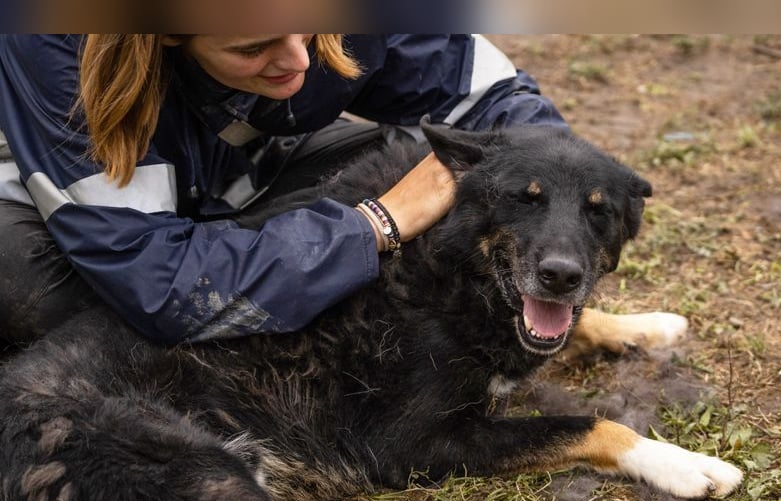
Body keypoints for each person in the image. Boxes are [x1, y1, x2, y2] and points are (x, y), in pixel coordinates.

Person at [0, 34, 571, 346]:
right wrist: (376, 223)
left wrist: (553, 214)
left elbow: (492, 99)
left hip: (233, 180)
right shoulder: (58, 43)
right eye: (254, 46)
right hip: (57, 207)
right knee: (28, 293)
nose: (300, 58)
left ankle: (271, 283)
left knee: (443, 164)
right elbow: (158, 281)